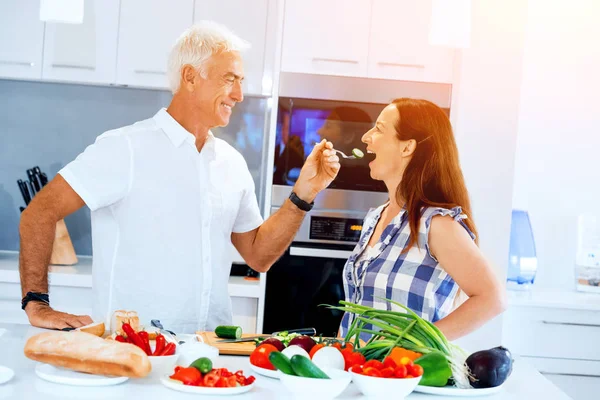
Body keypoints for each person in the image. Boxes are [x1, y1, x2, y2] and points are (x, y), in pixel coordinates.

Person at [19, 21, 340, 333]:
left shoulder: (232, 163)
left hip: (209, 356)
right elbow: (39, 213)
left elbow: (258, 256)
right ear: (190, 77)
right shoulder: (125, 148)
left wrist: (304, 192)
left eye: (241, 80)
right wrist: (37, 302)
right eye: (230, 79)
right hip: (134, 352)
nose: (240, 94)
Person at [340, 98, 506, 341]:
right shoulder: (377, 217)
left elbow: (492, 298)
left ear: (407, 147)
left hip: (404, 376)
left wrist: (411, 345)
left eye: (379, 129)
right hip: (358, 372)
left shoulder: (436, 224)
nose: (366, 136)